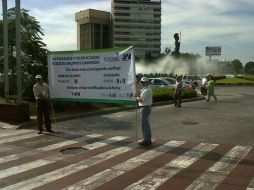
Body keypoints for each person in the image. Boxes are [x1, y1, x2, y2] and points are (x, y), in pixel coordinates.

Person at [135, 77, 153, 146]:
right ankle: (147, 139)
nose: (142, 83)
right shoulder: (145, 89)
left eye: (143, 82)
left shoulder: (147, 90)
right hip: (145, 108)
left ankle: (146, 140)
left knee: (144, 125)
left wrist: (136, 97)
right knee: (145, 124)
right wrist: (137, 85)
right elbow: (139, 91)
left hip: (145, 108)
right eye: (141, 82)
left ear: (147, 82)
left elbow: (141, 100)